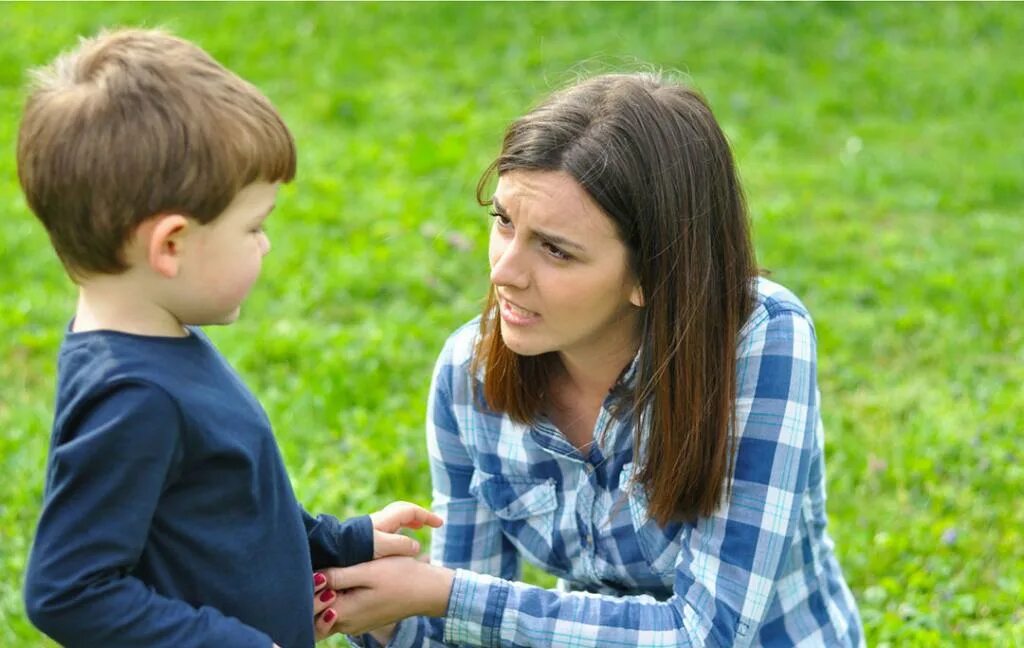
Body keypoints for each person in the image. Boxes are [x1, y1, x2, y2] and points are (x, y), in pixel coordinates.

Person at [316, 72, 865, 646]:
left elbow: (708, 632)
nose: (503, 271)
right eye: (503, 221)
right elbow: (464, 629)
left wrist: (445, 595)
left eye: (555, 249)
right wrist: (383, 616)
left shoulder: (757, 339)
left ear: (653, 274)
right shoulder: (468, 374)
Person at [18, 28, 441, 648]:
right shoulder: (135, 398)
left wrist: (336, 540)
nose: (265, 245)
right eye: (253, 227)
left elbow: (224, 502)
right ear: (171, 245)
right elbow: (68, 590)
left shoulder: (157, 338)